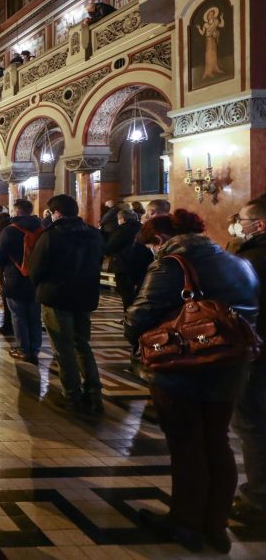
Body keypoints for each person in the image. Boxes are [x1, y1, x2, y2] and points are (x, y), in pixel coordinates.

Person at [125, 210, 258, 553]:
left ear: (160, 241)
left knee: (186, 444)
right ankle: (216, 526)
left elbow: (139, 315)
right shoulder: (237, 262)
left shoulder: (170, 264)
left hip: (182, 366)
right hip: (230, 364)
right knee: (217, 441)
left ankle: (185, 524)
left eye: (153, 245)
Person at [28, 195, 106, 413]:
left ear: (56, 213)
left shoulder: (51, 236)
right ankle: (94, 392)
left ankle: (71, 394)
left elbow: (36, 269)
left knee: (63, 348)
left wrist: (41, 286)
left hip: (57, 297)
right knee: (82, 344)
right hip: (85, 296)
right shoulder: (94, 234)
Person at [233, 199, 266, 525]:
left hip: (255, 350)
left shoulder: (252, 259)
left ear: (260, 224)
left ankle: (257, 497)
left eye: (242, 220)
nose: (239, 225)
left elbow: (234, 308)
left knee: (251, 423)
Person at [0, 199, 43, 364]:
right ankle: (35, 349)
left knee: (18, 315)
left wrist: (4, 271)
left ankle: (23, 349)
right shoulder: (42, 229)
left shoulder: (9, 230)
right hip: (36, 279)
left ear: (17, 211)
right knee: (35, 316)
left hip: (15, 277)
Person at [105, 209, 152, 313]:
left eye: (118, 218)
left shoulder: (122, 229)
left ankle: (129, 316)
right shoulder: (142, 227)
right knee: (137, 291)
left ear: (122, 218)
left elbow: (110, 246)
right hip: (141, 264)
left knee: (125, 292)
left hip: (123, 264)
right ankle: (136, 314)